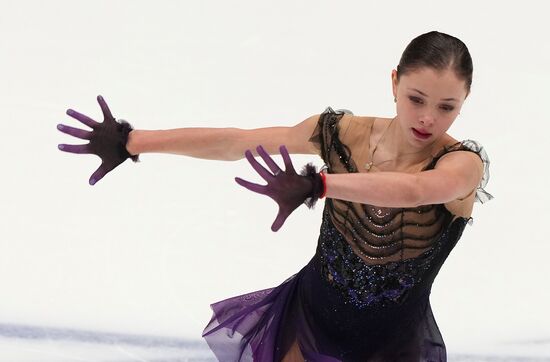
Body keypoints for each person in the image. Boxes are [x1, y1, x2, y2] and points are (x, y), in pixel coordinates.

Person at [57, 30, 492, 361]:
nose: (427, 118)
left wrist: (321, 184)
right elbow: (238, 142)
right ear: (394, 82)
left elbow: (416, 190)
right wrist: (134, 141)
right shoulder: (341, 134)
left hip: (394, 344)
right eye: (416, 98)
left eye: (446, 107)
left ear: (465, 100)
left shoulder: (460, 165)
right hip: (309, 320)